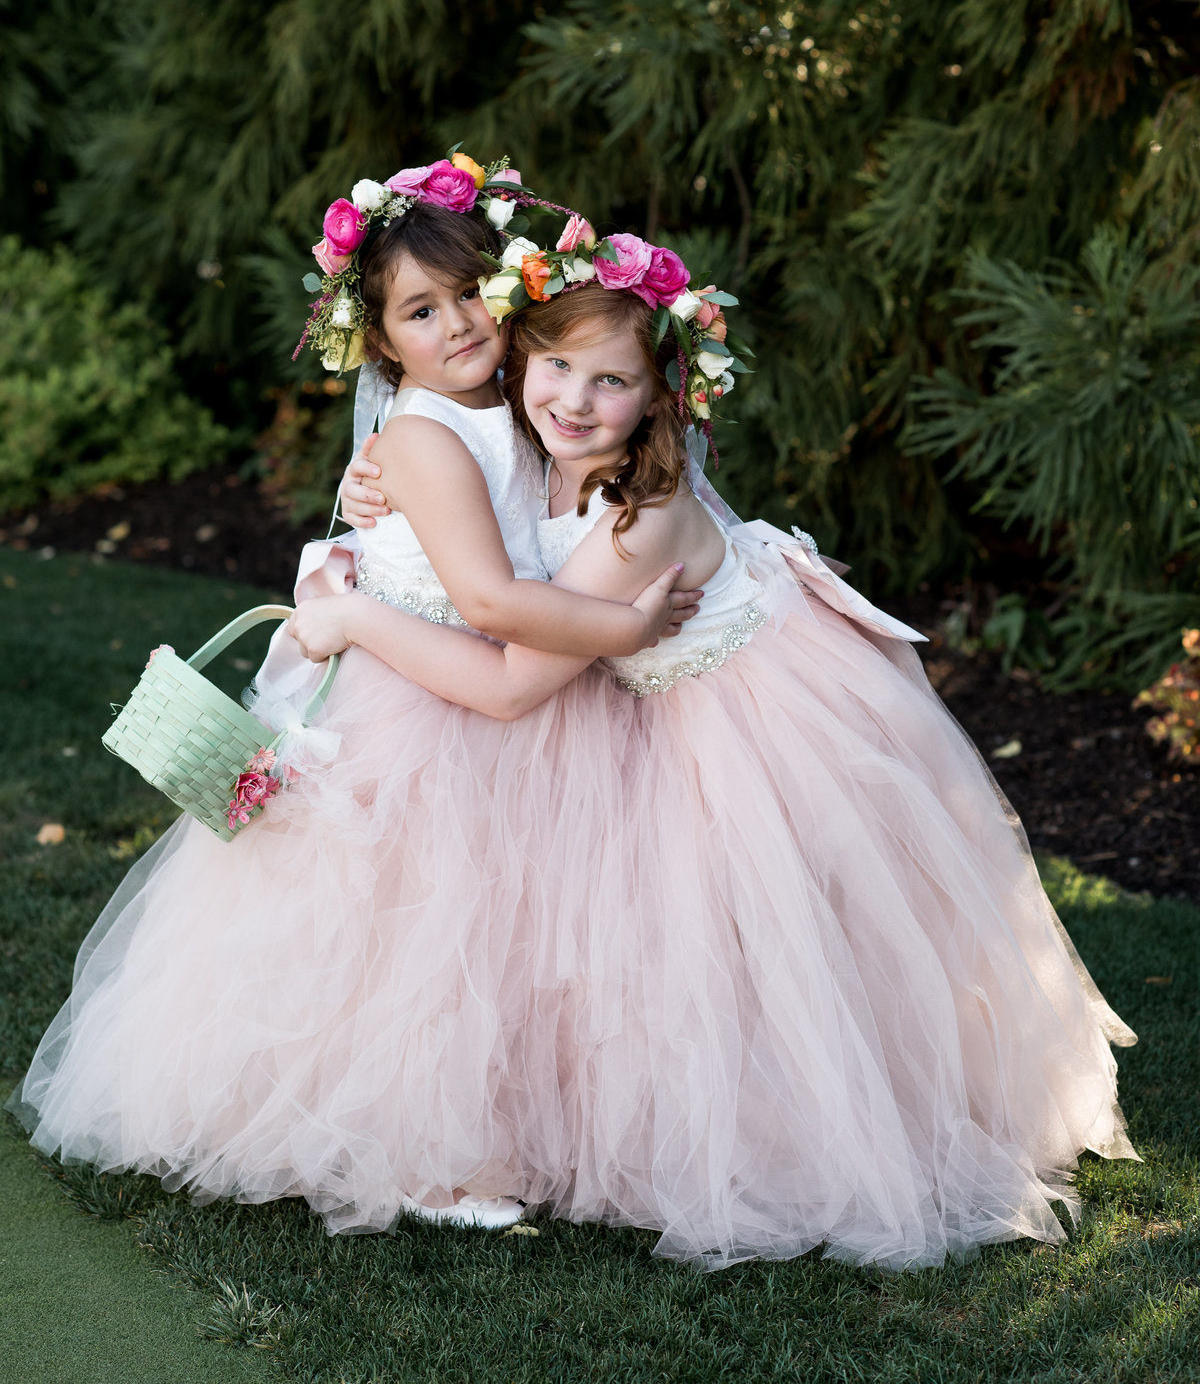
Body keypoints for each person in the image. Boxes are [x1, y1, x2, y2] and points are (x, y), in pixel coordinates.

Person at [292, 219, 1140, 1272]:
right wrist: (379, 490)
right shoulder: (517, 424)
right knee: (652, 938)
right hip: (651, 710)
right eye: (553, 365)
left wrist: (376, 615)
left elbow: (514, 670)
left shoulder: (630, 514)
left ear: (658, 396)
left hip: (746, 722)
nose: (569, 396)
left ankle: (839, 1124)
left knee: (774, 940)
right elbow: (466, 511)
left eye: (608, 381)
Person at [11, 158, 699, 1235]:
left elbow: (599, 377)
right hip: (427, 696)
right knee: (416, 932)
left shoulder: (528, 398)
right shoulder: (422, 435)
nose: (460, 323)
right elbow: (484, 591)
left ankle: (511, 1122)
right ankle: (420, 1158)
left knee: (512, 933)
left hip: (499, 681)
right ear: (383, 344)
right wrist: (623, 626)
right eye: (422, 312)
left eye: (475, 291)